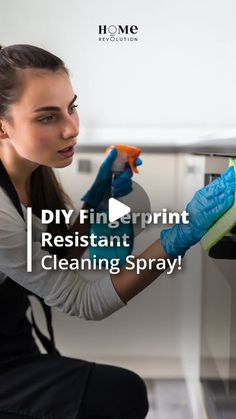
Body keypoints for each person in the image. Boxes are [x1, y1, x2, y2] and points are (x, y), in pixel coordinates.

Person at [0, 44, 234, 419]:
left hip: (16, 348)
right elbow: (83, 300)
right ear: (2, 126)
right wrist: (183, 233)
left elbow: (55, 257)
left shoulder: (31, 168)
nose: (72, 127)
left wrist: (95, 203)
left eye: (71, 107)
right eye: (47, 117)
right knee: (120, 394)